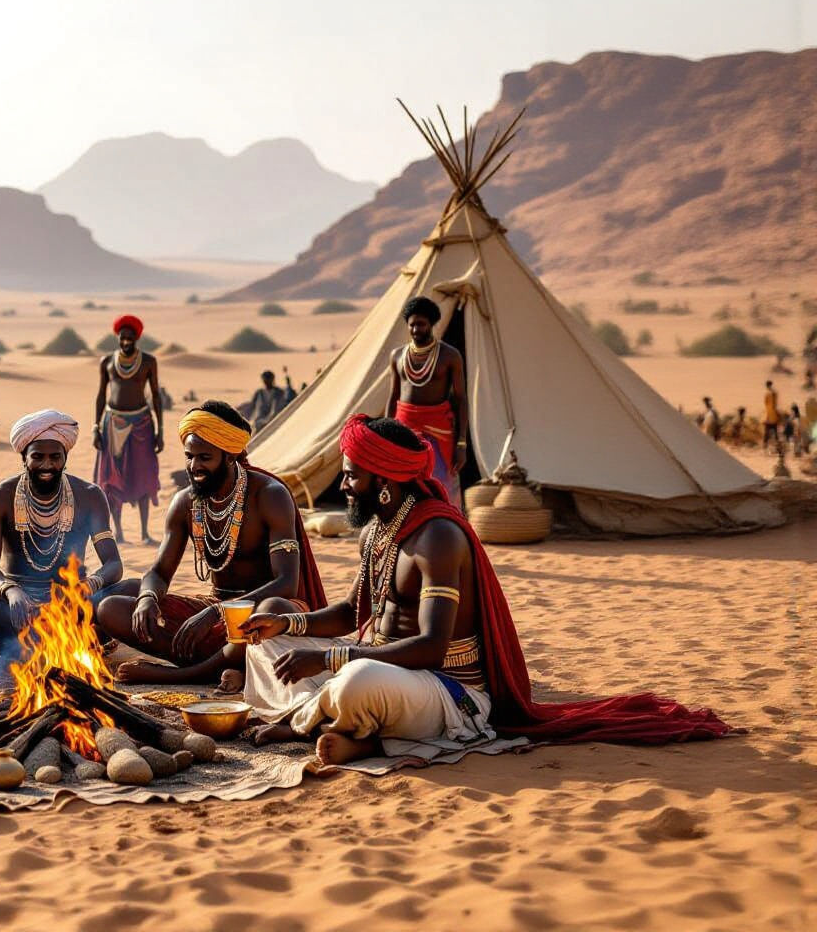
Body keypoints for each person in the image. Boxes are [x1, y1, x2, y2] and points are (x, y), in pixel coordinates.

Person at [239, 414, 731, 765]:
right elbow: (351, 611)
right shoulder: (376, 531)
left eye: (351, 477)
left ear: (383, 482)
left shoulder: (438, 538)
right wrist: (286, 625)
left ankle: (324, 723)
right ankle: (350, 732)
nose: (344, 487)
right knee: (266, 642)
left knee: (356, 681)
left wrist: (329, 660)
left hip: (449, 692)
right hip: (382, 670)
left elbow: (432, 647)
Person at [95, 402, 326, 687]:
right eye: (189, 457)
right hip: (215, 616)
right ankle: (226, 665)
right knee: (114, 606)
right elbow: (159, 572)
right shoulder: (185, 502)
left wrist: (216, 612)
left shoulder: (269, 495)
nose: (195, 467)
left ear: (230, 456)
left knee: (274, 608)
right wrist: (147, 600)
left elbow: (287, 583)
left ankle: (182, 675)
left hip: (259, 614)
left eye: (205, 457)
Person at [0, 410, 123, 664]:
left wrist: (85, 588)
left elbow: (113, 564)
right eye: (38, 457)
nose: (47, 465)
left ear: (65, 457)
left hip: (73, 603)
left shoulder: (89, 495)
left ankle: (34, 644)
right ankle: (64, 641)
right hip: (20, 607)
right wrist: (11, 592)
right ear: (24, 458)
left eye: (55, 457)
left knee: (131, 590)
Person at [384, 296, 467, 505]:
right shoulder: (397, 356)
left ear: (431, 324)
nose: (415, 329)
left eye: (421, 324)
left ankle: (449, 528)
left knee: (440, 480)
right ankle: (407, 529)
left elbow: (460, 399)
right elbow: (393, 396)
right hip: (404, 428)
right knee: (403, 481)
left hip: (438, 430)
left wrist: (462, 443)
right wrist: (385, 433)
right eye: (412, 325)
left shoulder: (449, 356)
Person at [94, 314, 164, 543]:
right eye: (122, 338)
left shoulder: (148, 362)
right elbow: (100, 396)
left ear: (137, 338)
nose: (125, 342)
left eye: (130, 338)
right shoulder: (106, 361)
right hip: (112, 424)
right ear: (118, 338)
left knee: (143, 475)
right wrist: (96, 428)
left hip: (142, 424)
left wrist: (160, 431)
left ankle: (144, 533)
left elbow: (156, 395)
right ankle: (119, 533)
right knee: (113, 479)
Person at [763, 380, 781, 452]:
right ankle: (777, 445)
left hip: (770, 414)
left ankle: (765, 445)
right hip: (773, 414)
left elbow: (766, 403)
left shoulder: (768, 394)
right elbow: (774, 404)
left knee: (767, 431)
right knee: (775, 431)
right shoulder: (774, 393)